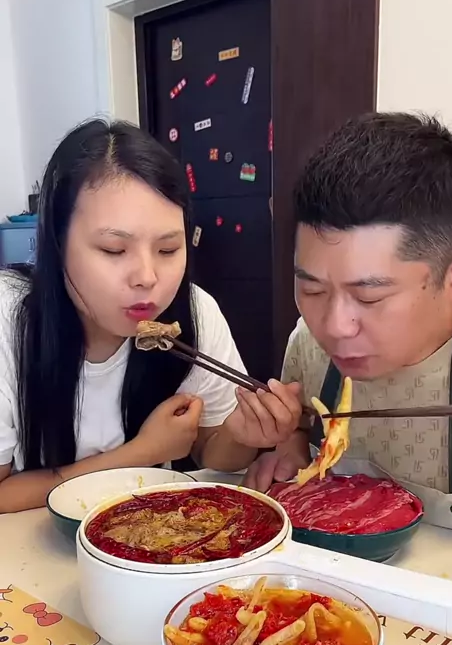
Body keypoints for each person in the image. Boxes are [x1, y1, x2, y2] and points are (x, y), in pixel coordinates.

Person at [0, 119, 301, 512]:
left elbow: (213, 451)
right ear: (57, 243)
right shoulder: (9, 319)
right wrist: (142, 453)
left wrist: (243, 435)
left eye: (167, 250)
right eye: (114, 250)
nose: (147, 277)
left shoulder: (193, 312)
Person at [245, 112, 452, 503]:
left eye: (370, 297)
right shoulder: (308, 341)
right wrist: (291, 449)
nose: (334, 327)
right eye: (313, 290)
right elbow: (300, 425)